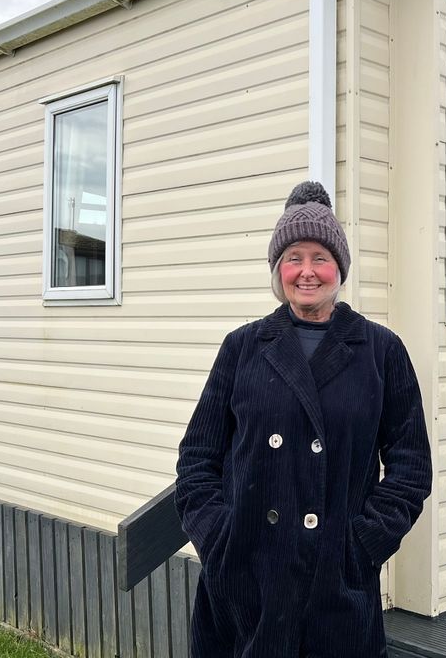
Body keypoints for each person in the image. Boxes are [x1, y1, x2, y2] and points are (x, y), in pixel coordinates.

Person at [174, 181, 432, 658]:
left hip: (336, 591)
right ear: (278, 270)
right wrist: (219, 539)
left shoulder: (381, 351)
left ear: (340, 268)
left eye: (320, 257)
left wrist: (359, 547)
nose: (307, 271)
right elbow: (196, 459)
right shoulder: (243, 347)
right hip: (246, 585)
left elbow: (411, 468)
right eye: (294, 257)